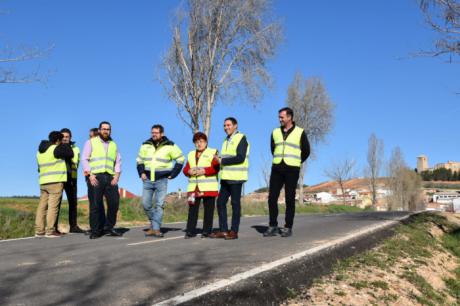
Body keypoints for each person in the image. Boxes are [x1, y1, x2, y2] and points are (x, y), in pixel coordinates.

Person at [264, 107, 310, 238]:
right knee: (272, 198)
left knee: (290, 198)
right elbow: (273, 149)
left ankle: (288, 227)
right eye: (279, 117)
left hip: (292, 169)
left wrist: (297, 161)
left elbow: (306, 151)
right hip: (277, 168)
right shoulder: (274, 132)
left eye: (282, 117)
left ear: (290, 117)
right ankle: (272, 225)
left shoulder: (300, 132)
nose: (280, 119)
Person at [136, 124, 184, 237]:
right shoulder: (145, 145)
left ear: (162, 134)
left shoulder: (170, 145)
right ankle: (155, 224)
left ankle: (156, 229)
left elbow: (181, 159)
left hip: (162, 180)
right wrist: (141, 173)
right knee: (146, 204)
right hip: (147, 179)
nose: (154, 134)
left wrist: (173, 174)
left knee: (159, 205)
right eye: (152, 132)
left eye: (156, 133)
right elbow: (139, 160)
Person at [210, 117, 250, 240]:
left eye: (228, 125)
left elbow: (240, 158)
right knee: (220, 202)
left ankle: (234, 231)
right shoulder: (225, 140)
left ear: (235, 126)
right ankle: (223, 230)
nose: (226, 127)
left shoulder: (241, 138)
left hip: (237, 178)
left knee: (235, 204)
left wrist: (222, 160)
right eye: (224, 125)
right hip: (226, 178)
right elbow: (227, 158)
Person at [82, 121, 122, 239]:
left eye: (108, 129)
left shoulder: (113, 144)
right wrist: (90, 175)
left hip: (110, 177)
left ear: (110, 131)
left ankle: (109, 227)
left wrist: (117, 176)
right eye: (103, 129)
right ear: (99, 130)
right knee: (95, 204)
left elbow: (118, 161)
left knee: (114, 203)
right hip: (95, 177)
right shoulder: (90, 142)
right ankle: (96, 230)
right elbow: (84, 159)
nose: (106, 131)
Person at [35, 131, 74, 238]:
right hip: (55, 181)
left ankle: (39, 231)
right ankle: (50, 231)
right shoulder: (55, 149)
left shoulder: (40, 152)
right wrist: (65, 143)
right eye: (62, 140)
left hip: (43, 181)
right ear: (58, 140)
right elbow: (71, 153)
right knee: (53, 207)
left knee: (42, 207)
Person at [182, 132, 220, 238]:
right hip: (193, 188)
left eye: (201, 141)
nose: (199, 144)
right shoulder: (190, 154)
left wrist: (204, 171)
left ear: (206, 142)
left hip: (209, 188)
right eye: (197, 142)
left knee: (208, 211)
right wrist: (188, 171)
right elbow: (185, 169)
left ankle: (206, 231)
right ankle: (190, 231)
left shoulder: (213, 152)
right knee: (192, 210)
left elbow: (216, 168)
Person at [54, 128, 85, 233]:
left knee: (73, 203)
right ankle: (54, 227)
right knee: (56, 204)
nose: (65, 139)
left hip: (72, 178)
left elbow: (77, 162)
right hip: (59, 178)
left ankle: (73, 226)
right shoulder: (56, 147)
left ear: (70, 138)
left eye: (67, 137)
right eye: (63, 137)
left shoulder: (76, 148)